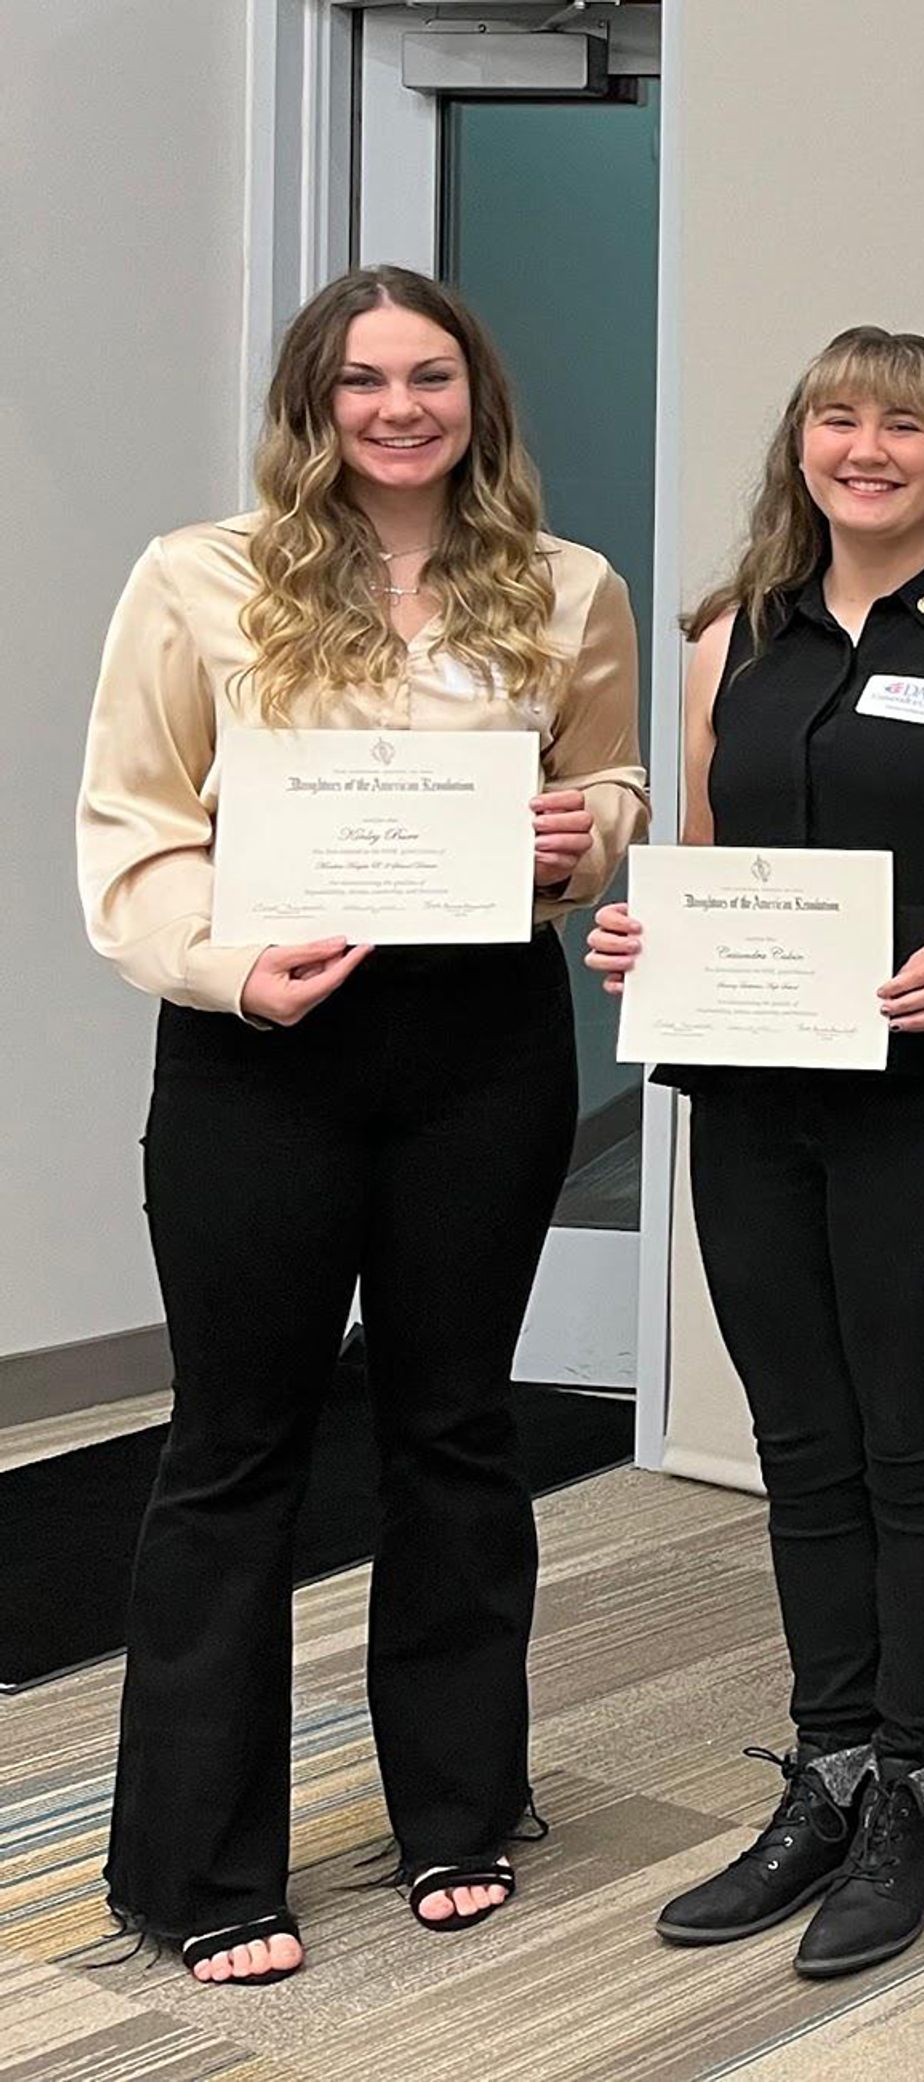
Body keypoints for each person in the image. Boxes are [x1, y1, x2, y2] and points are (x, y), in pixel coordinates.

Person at [75, 263, 644, 1984]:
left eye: (433, 378)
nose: (401, 408)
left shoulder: (565, 587)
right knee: (236, 1449)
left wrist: (584, 839)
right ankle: (199, 1861)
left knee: (456, 1431)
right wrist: (236, 969)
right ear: (312, 403)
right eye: (364, 381)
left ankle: (459, 1807)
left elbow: (608, 781)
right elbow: (133, 821)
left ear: (480, 402)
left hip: (481, 1043)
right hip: (263, 1046)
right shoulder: (201, 579)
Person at [587, 326, 924, 1982]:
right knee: (799, 1440)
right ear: (800, 444)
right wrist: (642, 938)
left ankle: (918, 1791)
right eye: (839, 417)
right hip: (760, 1085)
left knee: (913, 1437)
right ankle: (824, 1773)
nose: (867, 447)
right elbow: (703, 849)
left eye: (903, 423)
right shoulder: (721, 636)